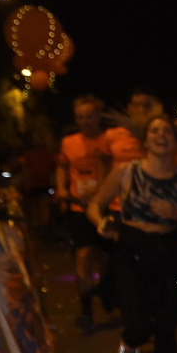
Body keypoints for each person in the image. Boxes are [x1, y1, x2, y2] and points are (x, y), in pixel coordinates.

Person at [85, 115, 177, 353]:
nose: (161, 135)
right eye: (154, 130)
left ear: (175, 142)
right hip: (131, 253)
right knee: (138, 325)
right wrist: (101, 224)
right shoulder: (126, 171)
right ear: (145, 140)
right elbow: (95, 204)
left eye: (167, 131)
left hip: (169, 255)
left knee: (166, 327)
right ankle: (130, 340)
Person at [57, 94, 111, 331]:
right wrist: (60, 188)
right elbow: (62, 167)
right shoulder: (69, 142)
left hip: (106, 208)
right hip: (78, 208)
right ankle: (86, 310)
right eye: (80, 117)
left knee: (106, 259)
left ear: (98, 117)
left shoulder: (109, 140)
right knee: (83, 257)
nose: (85, 121)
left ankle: (109, 297)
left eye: (90, 116)